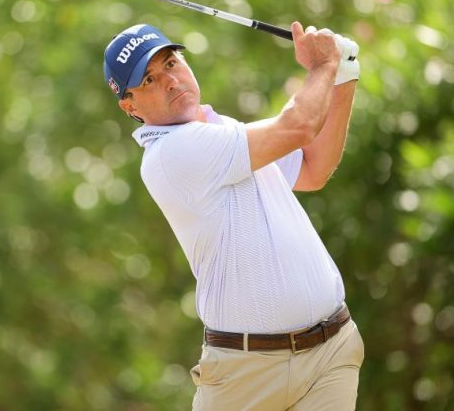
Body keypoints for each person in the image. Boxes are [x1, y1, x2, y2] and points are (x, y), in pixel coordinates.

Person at [102, 21, 364, 411]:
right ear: (130, 106)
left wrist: (344, 74)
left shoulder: (225, 130)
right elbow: (299, 125)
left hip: (331, 352)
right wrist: (323, 66)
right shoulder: (171, 153)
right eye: (150, 80)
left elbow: (313, 170)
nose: (171, 81)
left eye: (171, 63)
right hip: (246, 375)